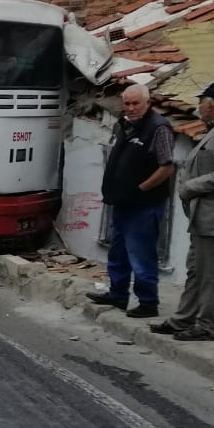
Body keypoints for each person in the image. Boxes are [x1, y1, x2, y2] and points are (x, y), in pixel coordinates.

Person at [151, 82, 214, 342]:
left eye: (201, 103)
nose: (199, 108)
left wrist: (189, 187)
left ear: (211, 104)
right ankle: (183, 319)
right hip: (211, 214)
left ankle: (207, 326)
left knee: (209, 274)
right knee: (196, 269)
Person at [87, 83, 175, 317]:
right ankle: (118, 294)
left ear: (148, 103)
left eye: (136, 103)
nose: (131, 108)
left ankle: (148, 303)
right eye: (127, 103)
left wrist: (141, 189)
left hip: (144, 205)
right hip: (123, 202)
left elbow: (166, 168)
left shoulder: (158, 128)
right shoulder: (125, 125)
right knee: (118, 252)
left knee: (141, 254)